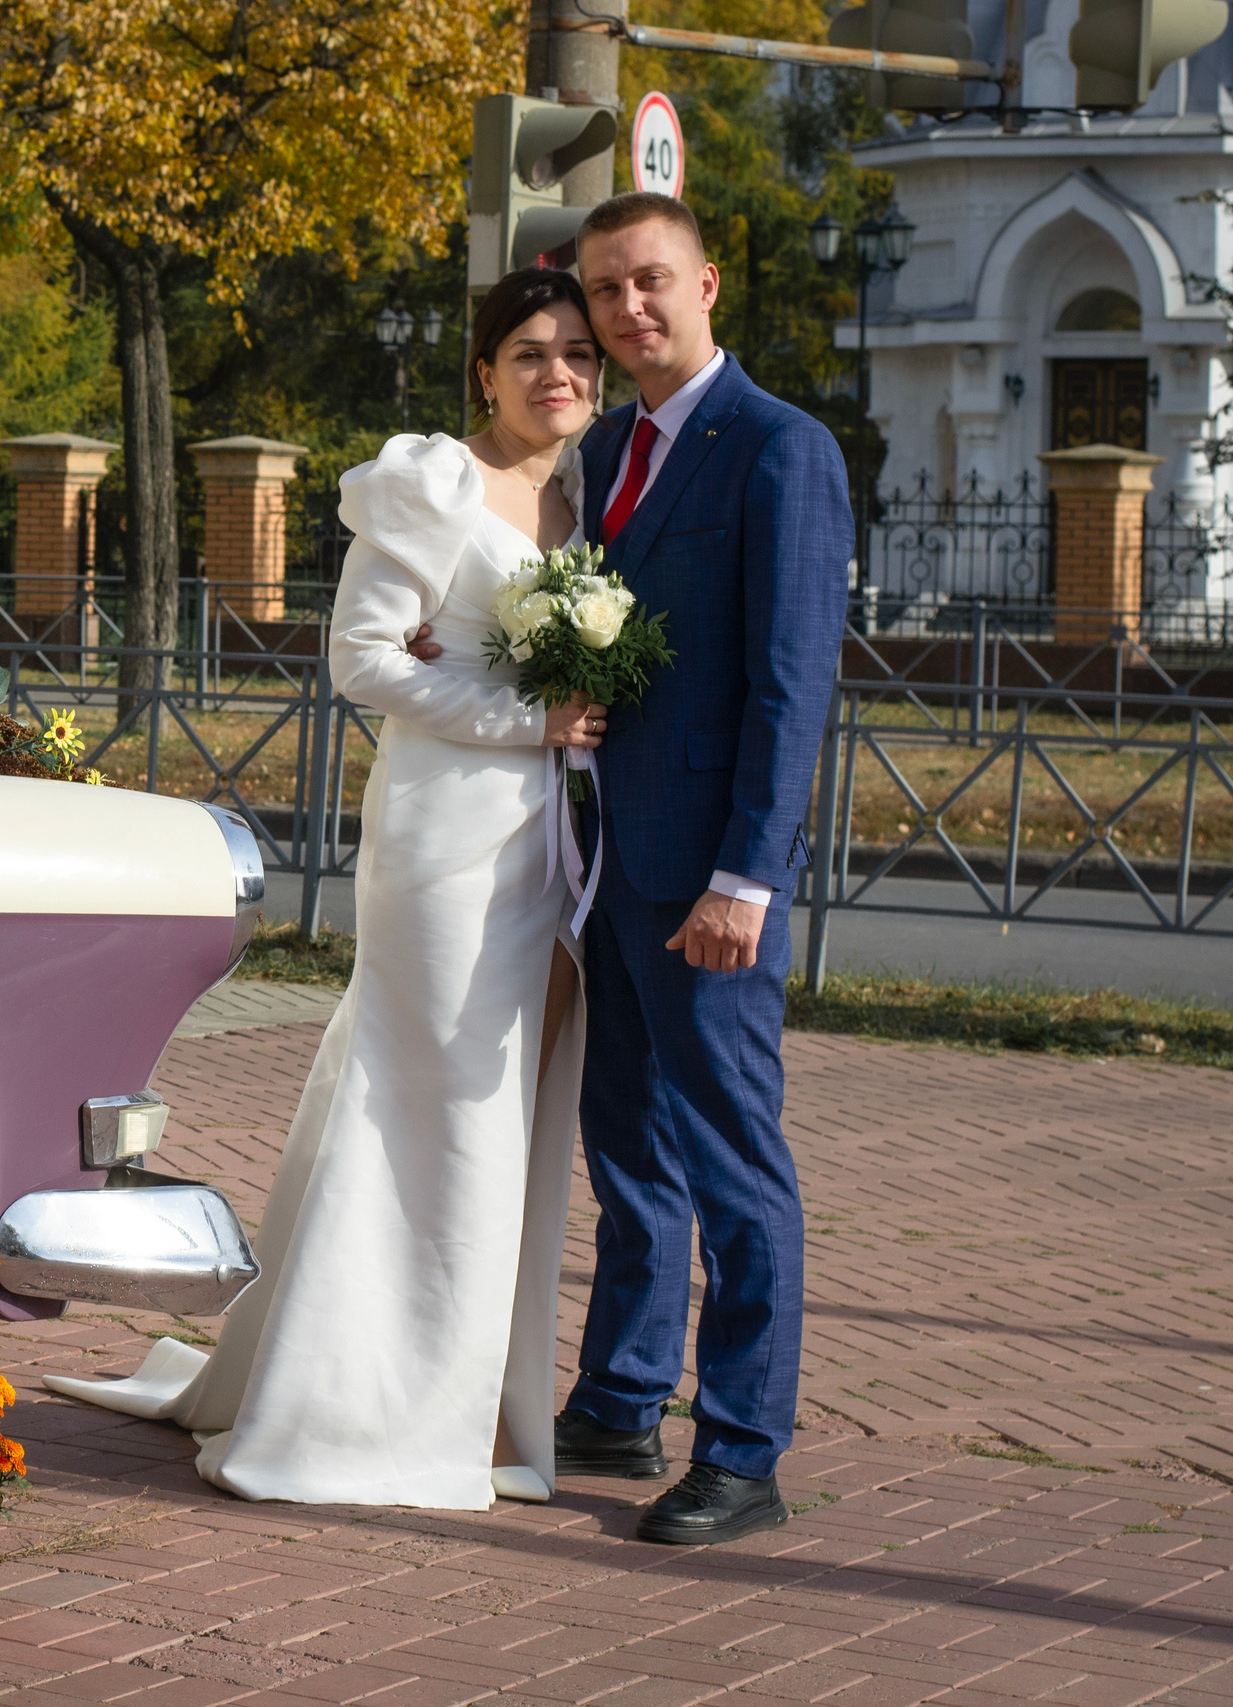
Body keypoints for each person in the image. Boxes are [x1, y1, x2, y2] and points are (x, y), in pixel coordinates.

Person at [45, 269, 610, 1509]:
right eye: (527, 352)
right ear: (482, 370)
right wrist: (533, 721)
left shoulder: (583, 493)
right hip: (447, 838)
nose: (556, 373)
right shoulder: (434, 482)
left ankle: (473, 1402)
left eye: (577, 353)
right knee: (438, 1103)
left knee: (507, 1113)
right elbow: (357, 659)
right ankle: (362, 1409)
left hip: (551, 851)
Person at [545, 192, 852, 1544]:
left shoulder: (780, 449)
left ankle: (742, 1446)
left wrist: (748, 876)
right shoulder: (609, 445)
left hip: (709, 880)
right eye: (608, 292)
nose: (630, 312)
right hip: (609, 862)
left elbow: (792, 688)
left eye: (652, 282)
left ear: (709, 283)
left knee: (732, 1159)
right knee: (628, 1148)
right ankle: (619, 1396)